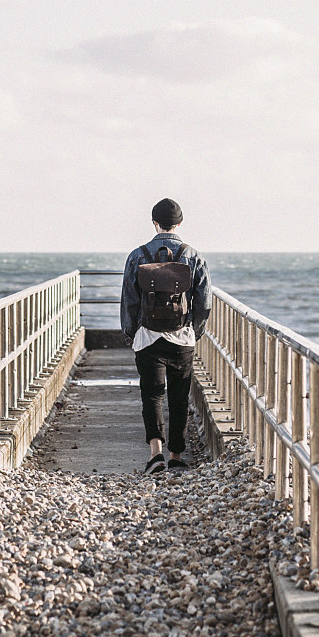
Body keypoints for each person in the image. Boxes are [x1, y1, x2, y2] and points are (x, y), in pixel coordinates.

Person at [120, 198, 211, 474]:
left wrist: (132, 335)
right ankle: (176, 456)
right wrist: (193, 332)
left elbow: (129, 301)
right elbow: (204, 302)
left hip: (148, 337)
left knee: (152, 395)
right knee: (179, 396)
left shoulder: (138, 256)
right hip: (181, 338)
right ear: (179, 223)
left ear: (154, 223)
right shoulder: (193, 255)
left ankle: (155, 455)